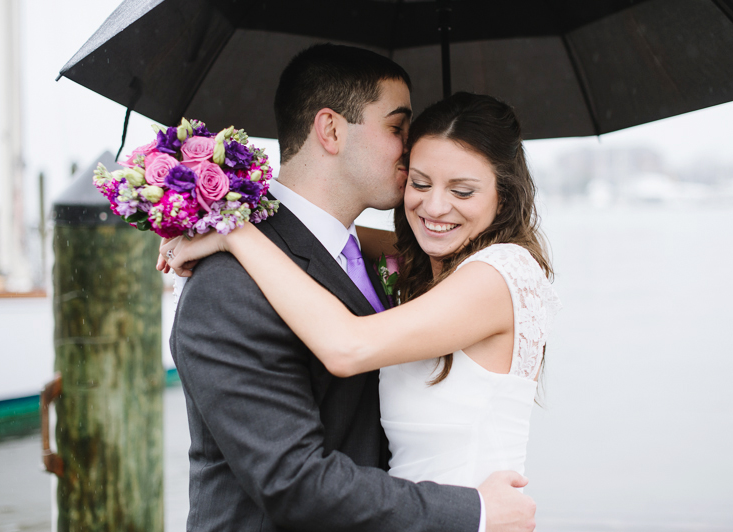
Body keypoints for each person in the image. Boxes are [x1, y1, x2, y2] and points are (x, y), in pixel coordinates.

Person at [159, 44, 536, 532]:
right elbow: (294, 483)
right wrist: (473, 513)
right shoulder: (229, 285)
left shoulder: (396, 258)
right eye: (397, 128)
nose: (409, 147)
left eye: (461, 189)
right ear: (331, 130)